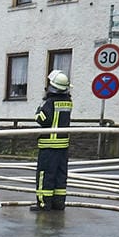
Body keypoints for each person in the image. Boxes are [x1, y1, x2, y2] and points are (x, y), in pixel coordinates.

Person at [34, 70, 75, 211]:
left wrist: (39, 110)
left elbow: (43, 120)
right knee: (60, 175)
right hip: (63, 145)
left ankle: (43, 204)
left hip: (48, 145)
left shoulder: (50, 102)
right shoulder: (68, 102)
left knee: (45, 175)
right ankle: (58, 203)